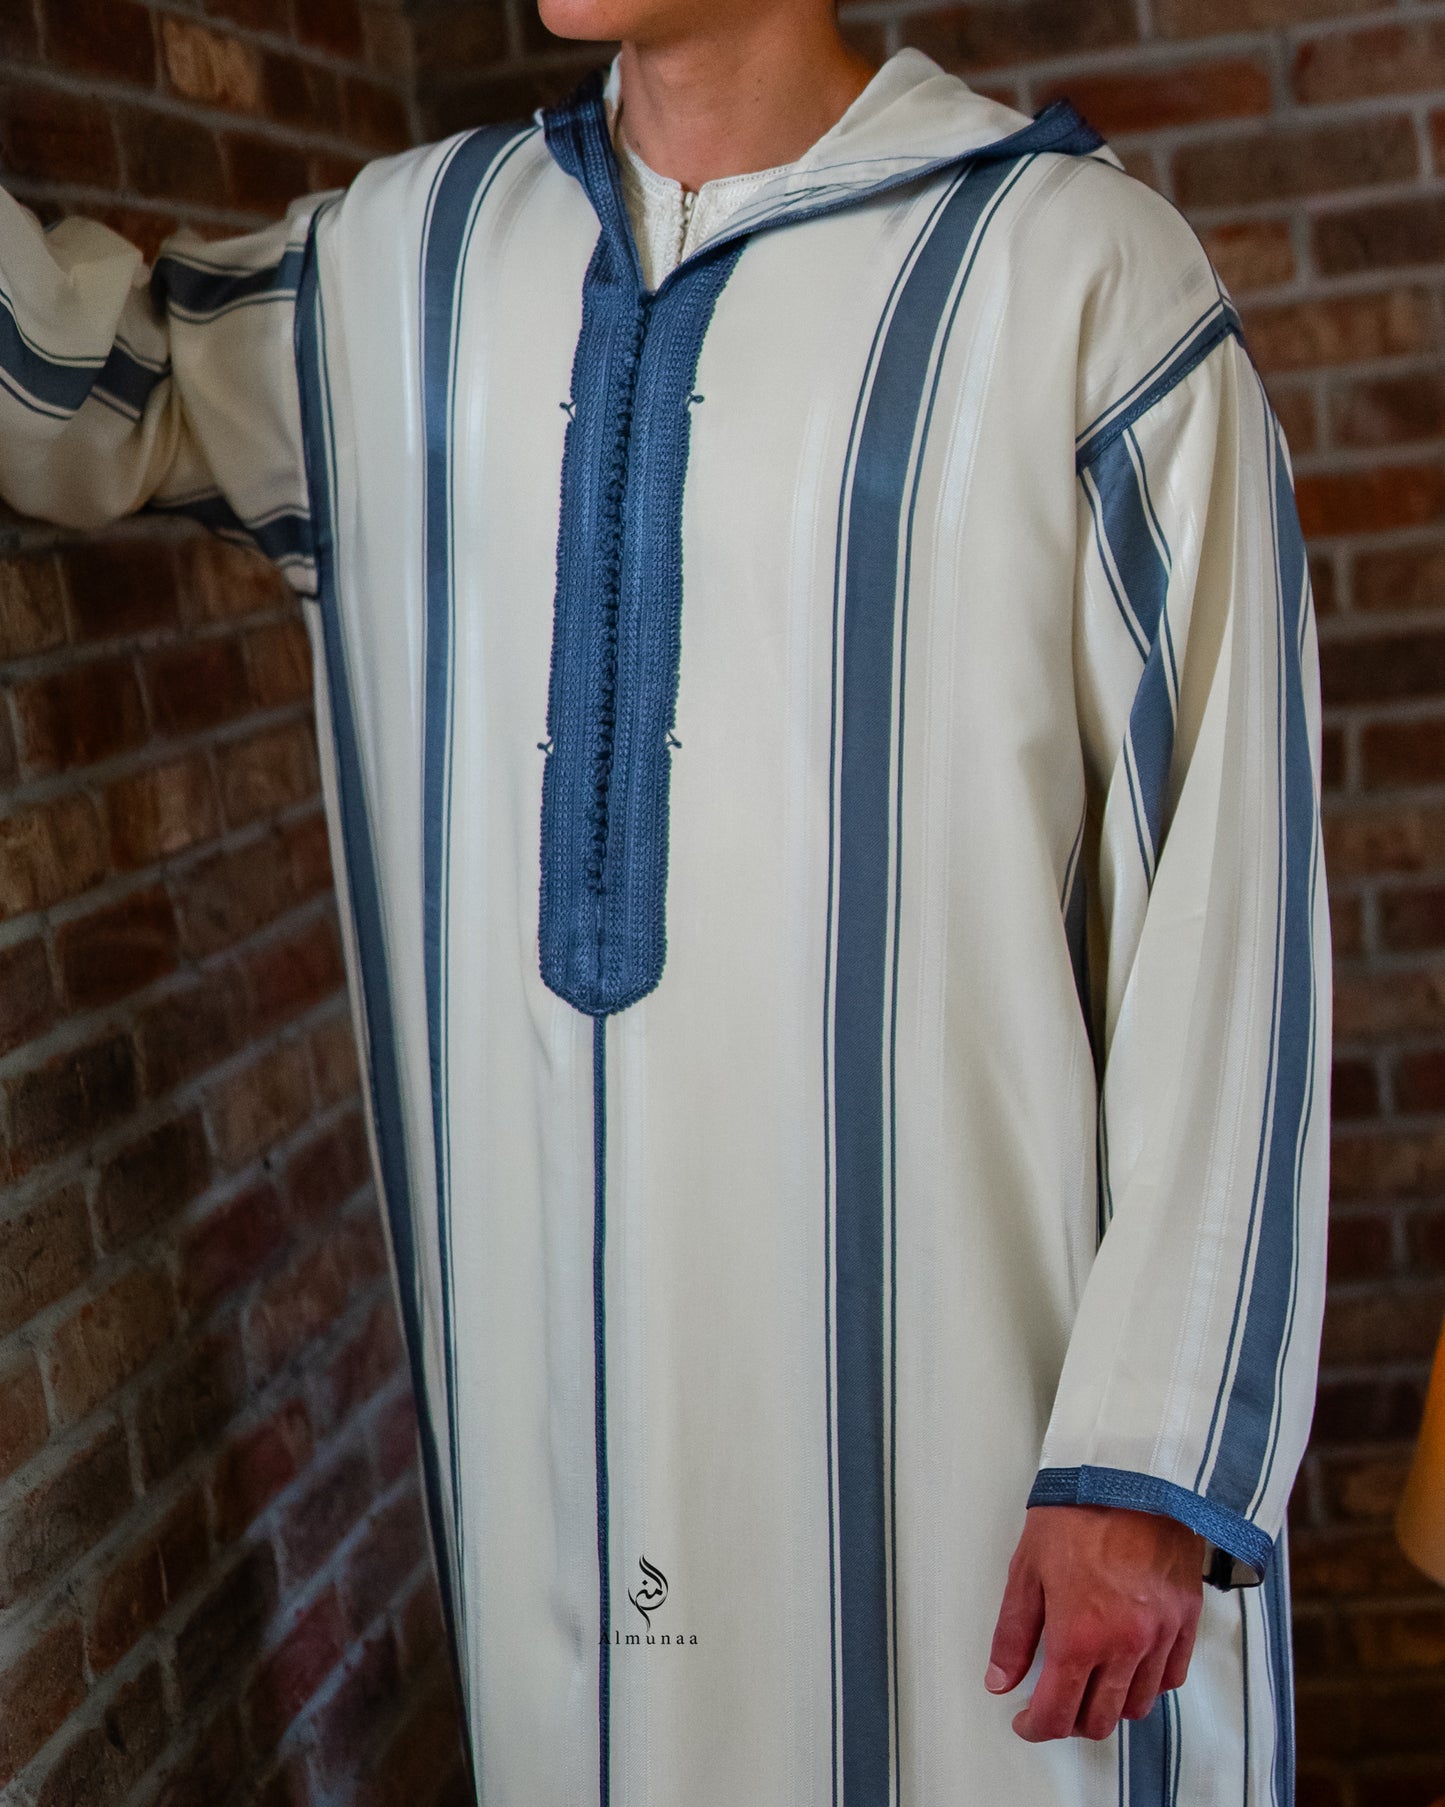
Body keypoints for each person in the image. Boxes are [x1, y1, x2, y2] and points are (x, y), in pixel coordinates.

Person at [0, 1, 1330, 1801]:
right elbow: (83, 402)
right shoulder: (406, 265)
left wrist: (1147, 1461)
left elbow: (1231, 895)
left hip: (989, 1466)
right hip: (561, 1495)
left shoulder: (1076, 275)